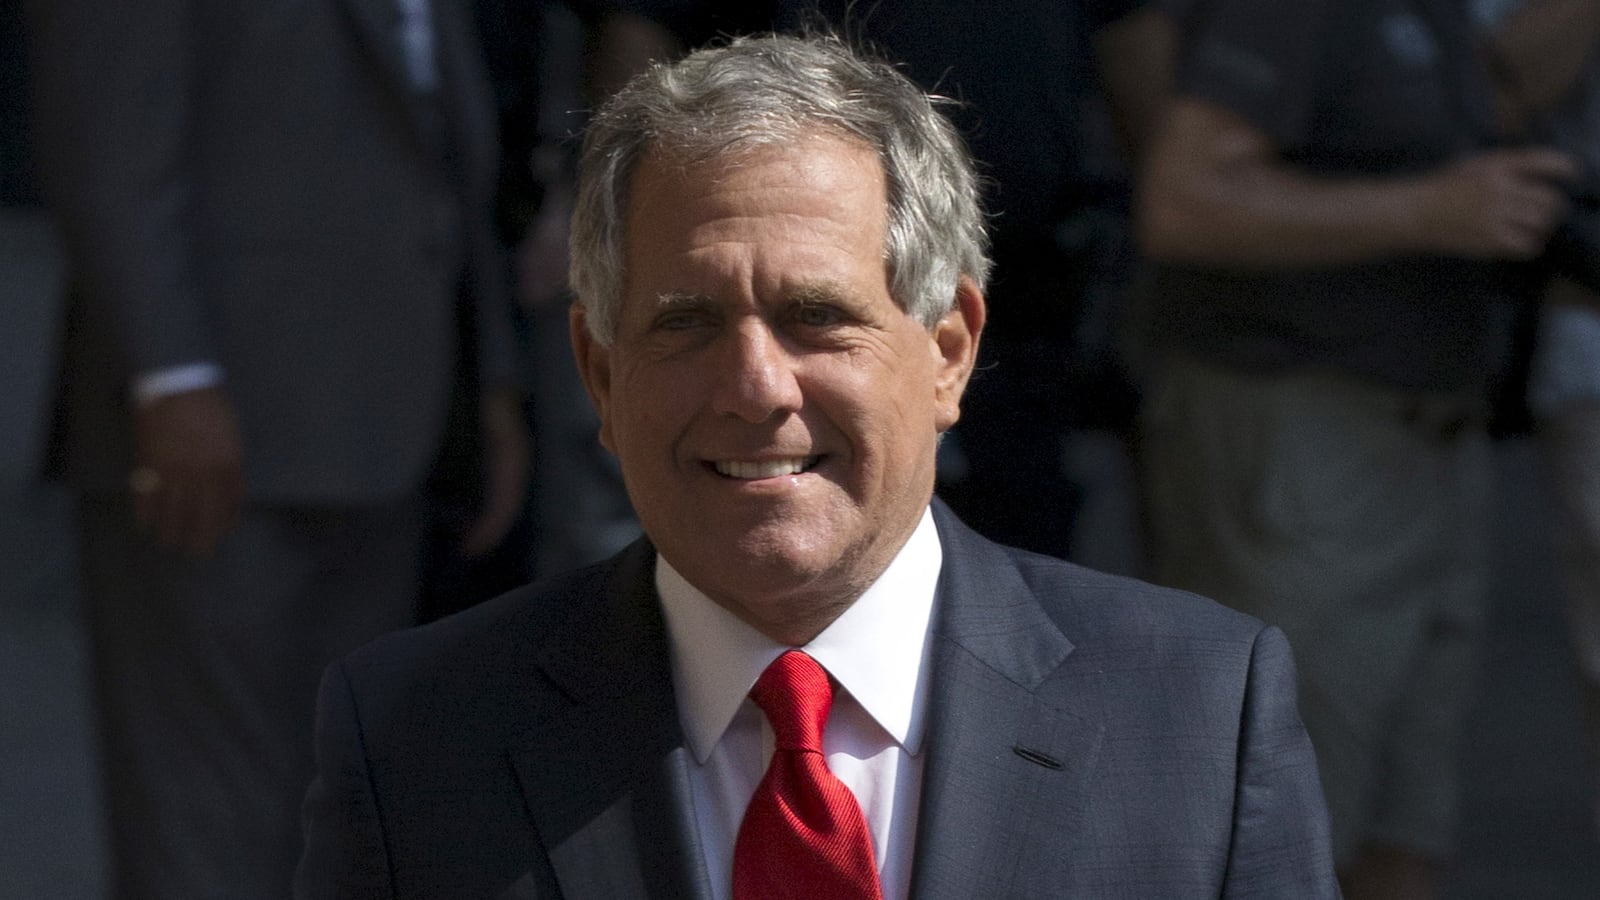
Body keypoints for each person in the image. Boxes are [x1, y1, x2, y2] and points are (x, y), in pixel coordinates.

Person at [296, 33, 1339, 898]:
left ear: (948, 350)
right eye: (686, 322)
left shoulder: (1198, 716)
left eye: (816, 317)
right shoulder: (413, 741)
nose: (754, 387)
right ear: (598, 376)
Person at [24, 1, 527, 896]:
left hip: (391, 427)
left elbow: (442, 143)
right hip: (210, 431)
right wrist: (171, 378)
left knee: (342, 816)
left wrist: (488, 378)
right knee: (203, 817)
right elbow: (106, 144)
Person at [1132, 0, 1581, 896]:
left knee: (1403, 829)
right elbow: (1182, 202)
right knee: (1275, 831)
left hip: (1433, 441)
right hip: (1300, 437)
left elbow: (1477, 108)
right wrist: (1430, 210)